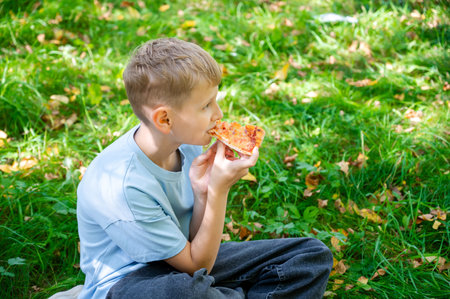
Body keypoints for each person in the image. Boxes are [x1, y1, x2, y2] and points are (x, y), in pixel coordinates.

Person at [76, 37, 333, 299]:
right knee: (187, 292)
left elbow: (193, 249)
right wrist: (219, 190)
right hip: (128, 284)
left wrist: (204, 193)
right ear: (165, 119)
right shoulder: (124, 186)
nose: (218, 114)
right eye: (206, 105)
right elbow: (196, 266)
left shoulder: (185, 143)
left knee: (309, 256)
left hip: (181, 261)